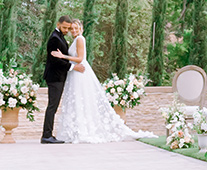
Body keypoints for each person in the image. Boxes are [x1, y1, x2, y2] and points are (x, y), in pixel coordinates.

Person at [51, 20, 155, 143]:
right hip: (74, 72)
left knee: (80, 99)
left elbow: (80, 58)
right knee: (77, 100)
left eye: (76, 28)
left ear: (81, 28)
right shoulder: (75, 40)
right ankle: (77, 130)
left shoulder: (80, 39)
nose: (73, 30)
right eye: (72, 28)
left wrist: (63, 56)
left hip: (80, 72)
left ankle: (82, 131)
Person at [41, 15, 86, 144]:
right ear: (58, 24)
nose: (67, 30)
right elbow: (56, 61)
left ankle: (48, 134)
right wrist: (73, 67)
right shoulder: (54, 39)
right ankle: (46, 135)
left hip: (59, 77)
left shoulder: (60, 36)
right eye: (65, 27)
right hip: (55, 77)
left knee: (53, 106)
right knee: (52, 107)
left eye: (68, 28)